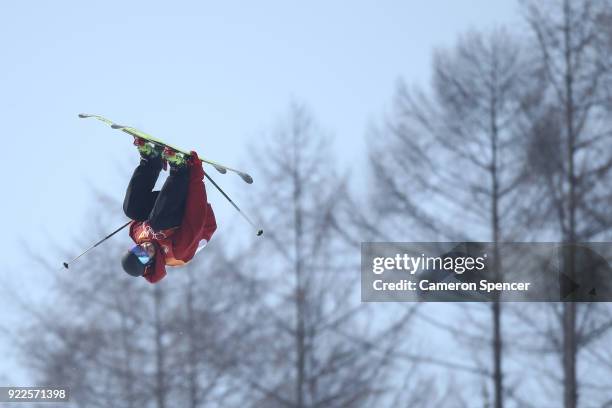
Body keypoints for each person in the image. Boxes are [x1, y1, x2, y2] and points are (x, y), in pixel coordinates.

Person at [120, 137, 217, 283]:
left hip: (169, 207)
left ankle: (151, 161)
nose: (144, 248)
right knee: (157, 223)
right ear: (150, 263)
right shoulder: (177, 252)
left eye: (137, 250)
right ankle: (180, 170)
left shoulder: (138, 234)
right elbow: (196, 217)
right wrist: (195, 174)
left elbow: (138, 215)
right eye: (143, 256)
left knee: (132, 211)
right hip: (198, 216)